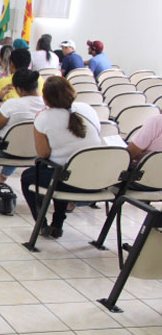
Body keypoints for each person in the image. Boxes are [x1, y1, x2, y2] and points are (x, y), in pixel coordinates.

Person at [21, 76, 102, 238]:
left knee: (30, 176)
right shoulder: (87, 109)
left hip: (69, 180)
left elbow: (43, 154)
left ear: (45, 100)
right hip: (97, 178)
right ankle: (57, 223)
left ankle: (41, 224)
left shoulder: (43, 117)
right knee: (59, 171)